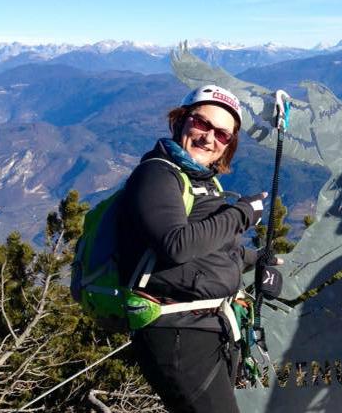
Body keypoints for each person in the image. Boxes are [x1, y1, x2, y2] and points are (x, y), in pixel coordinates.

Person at [115, 84, 277, 412]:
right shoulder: (156, 173)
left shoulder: (201, 180)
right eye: (202, 123)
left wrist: (256, 259)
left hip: (208, 327)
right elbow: (175, 245)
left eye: (223, 134)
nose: (209, 138)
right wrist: (243, 214)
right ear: (180, 121)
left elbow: (211, 250)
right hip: (177, 333)